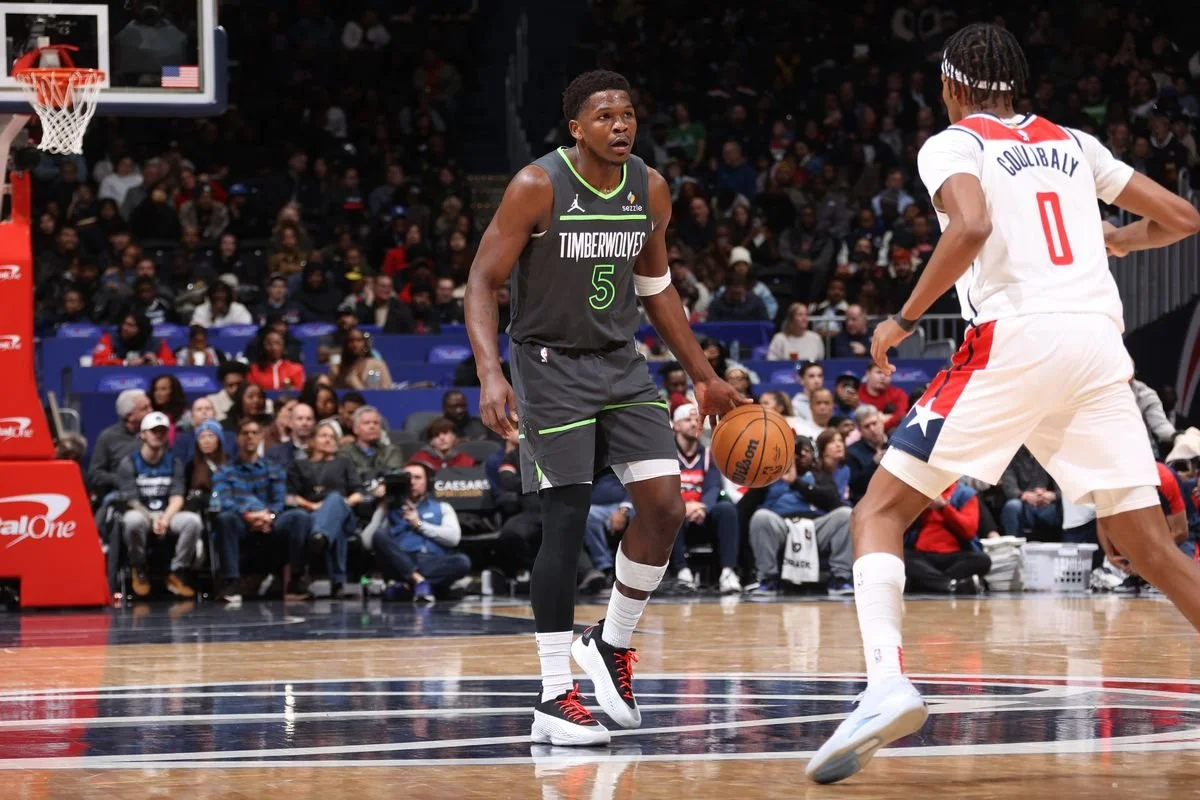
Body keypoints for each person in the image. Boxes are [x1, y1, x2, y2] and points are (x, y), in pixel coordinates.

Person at [808, 23, 1200, 784]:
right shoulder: (1075, 144)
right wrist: (1121, 243)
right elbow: (1184, 219)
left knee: (879, 511)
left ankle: (885, 683)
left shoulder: (954, 143)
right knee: (1150, 547)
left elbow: (973, 224)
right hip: (1097, 344)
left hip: (1017, 336)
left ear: (952, 86)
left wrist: (903, 318)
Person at [463, 70, 745, 746]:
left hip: (621, 362)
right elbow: (481, 280)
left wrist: (702, 375)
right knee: (563, 523)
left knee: (666, 508)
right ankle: (552, 695)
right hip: (549, 365)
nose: (620, 126)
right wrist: (491, 373)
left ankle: (609, 642)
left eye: (628, 114)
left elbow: (656, 286)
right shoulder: (537, 185)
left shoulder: (649, 187)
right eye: (604, 116)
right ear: (576, 128)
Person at [211, 418, 314, 604]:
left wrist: (269, 516)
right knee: (225, 518)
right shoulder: (225, 471)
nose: (250, 437)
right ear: (238, 438)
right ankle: (231, 583)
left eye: (254, 433)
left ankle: (296, 581)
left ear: (261, 437)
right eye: (245, 433)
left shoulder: (274, 468)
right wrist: (249, 516)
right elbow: (225, 501)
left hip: (271, 521)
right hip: (241, 522)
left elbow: (279, 501)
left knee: (299, 517)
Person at [748, 436, 854, 596]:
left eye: (807, 450)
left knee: (845, 514)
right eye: (797, 451)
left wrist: (796, 482)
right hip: (782, 526)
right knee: (760, 517)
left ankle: (840, 579)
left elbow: (833, 500)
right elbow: (745, 506)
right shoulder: (770, 477)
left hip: (815, 527)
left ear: (814, 455)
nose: (803, 454)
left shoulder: (819, 475)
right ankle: (768, 579)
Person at [115, 411, 203, 598]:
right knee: (132, 521)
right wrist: (153, 518)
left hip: (167, 514)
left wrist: (165, 519)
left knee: (193, 521)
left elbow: (177, 497)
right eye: (153, 431)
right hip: (142, 513)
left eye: (162, 431)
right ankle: (139, 567)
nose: (158, 435)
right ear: (143, 434)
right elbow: (131, 500)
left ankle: (177, 572)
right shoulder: (129, 463)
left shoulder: (174, 463)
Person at [666, 404, 742, 593]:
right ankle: (682, 572)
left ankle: (728, 573)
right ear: (676, 425)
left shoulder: (709, 454)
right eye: (688, 420)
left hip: (702, 513)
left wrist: (701, 507)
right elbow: (665, 489)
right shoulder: (666, 455)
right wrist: (684, 506)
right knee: (669, 511)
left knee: (727, 509)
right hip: (677, 515)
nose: (694, 424)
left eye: (697, 420)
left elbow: (714, 486)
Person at [287, 421, 365, 598]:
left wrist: (337, 505)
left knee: (335, 500)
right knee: (334, 525)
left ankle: (320, 536)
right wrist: (314, 506)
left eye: (332, 437)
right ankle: (338, 582)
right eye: (323, 436)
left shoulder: (344, 463)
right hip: (311, 514)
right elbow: (290, 496)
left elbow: (359, 494)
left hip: (344, 513)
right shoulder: (298, 465)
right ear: (312, 441)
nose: (328, 440)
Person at [373, 463, 471, 600]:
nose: (412, 482)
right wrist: (382, 505)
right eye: (408, 478)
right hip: (402, 561)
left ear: (427, 483)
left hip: (432, 561)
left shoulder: (442, 507)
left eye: (417, 478)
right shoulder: (390, 508)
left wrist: (419, 524)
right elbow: (368, 540)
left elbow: (453, 539)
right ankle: (420, 582)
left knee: (462, 562)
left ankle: (408, 587)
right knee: (380, 534)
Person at [88, 389, 151, 498]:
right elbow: (95, 474)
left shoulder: (157, 435)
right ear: (129, 415)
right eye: (145, 409)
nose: (151, 411)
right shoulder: (108, 437)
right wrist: (121, 480)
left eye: (150, 406)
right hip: (120, 493)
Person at [408, 417, 476, 471]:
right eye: (436, 435)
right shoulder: (419, 460)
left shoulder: (467, 461)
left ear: (454, 436)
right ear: (431, 441)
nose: (441, 438)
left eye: (445, 433)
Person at [858, 363, 910, 431]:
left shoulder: (898, 394)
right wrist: (880, 420)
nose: (883, 377)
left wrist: (878, 426)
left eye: (887, 374)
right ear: (868, 374)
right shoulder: (857, 393)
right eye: (879, 372)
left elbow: (901, 416)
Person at [267, 402, 316, 466]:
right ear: (291, 422)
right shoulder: (275, 452)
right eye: (300, 418)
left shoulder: (322, 452)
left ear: (314, 423)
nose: (304, 423)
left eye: (309, 419)